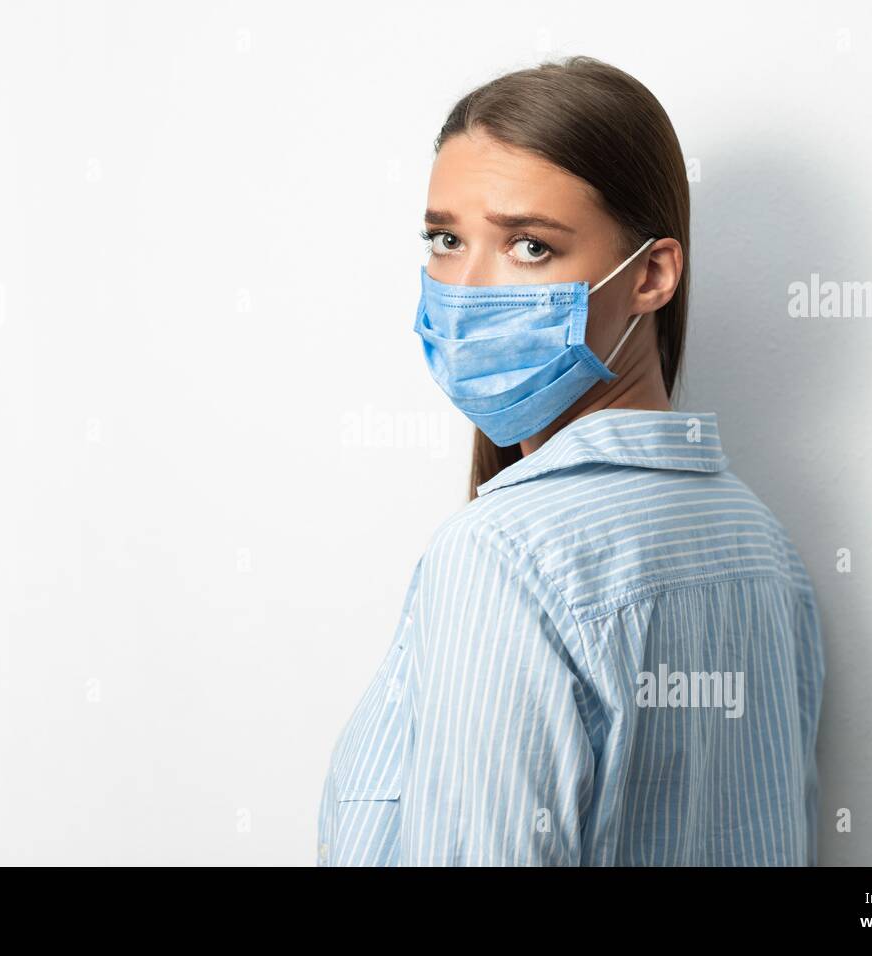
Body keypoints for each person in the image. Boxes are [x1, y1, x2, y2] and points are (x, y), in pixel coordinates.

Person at [317, 56, 825, 866]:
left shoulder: (500, 557)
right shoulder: (760, 543)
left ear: (652, 275)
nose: (470, 289)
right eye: (446, 239)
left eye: (528, 246)